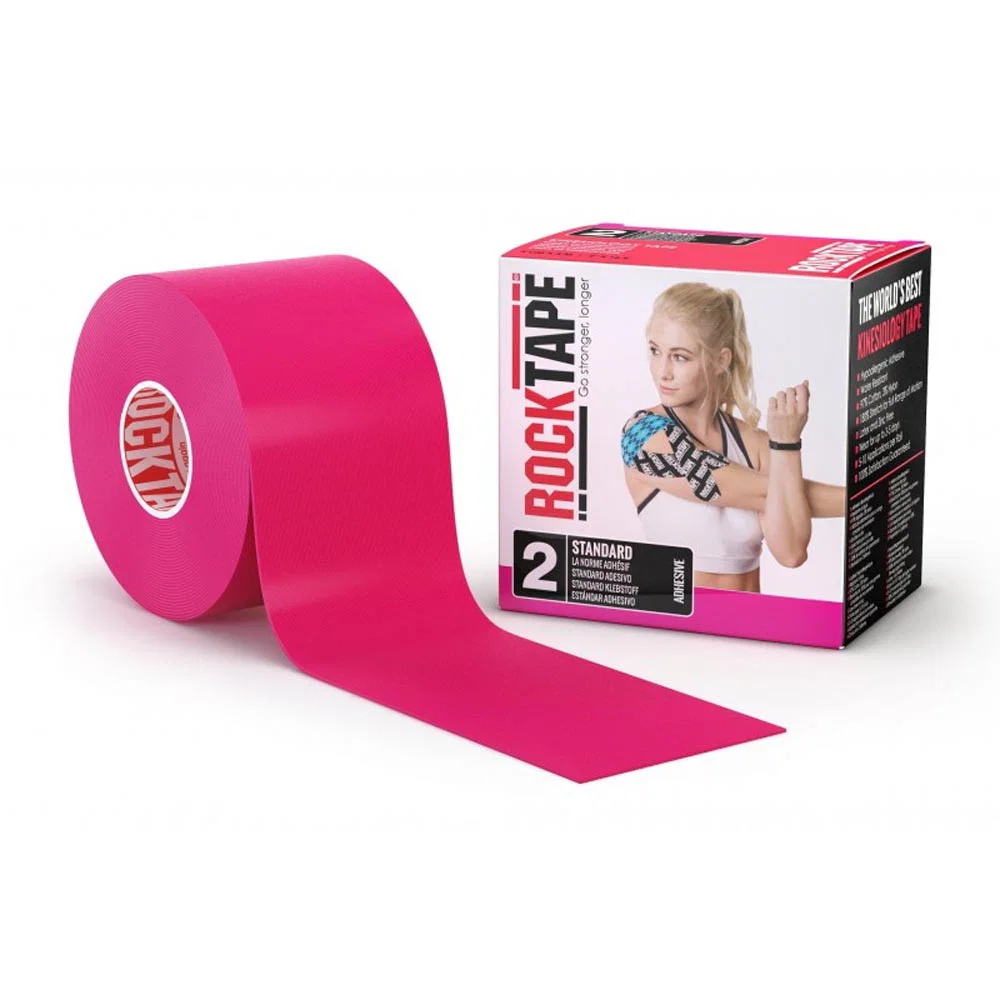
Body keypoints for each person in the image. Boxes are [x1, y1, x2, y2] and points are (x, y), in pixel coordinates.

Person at [622, 282, 845, 593]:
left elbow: (791, 552)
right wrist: (865, 495)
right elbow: (718, 482)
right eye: (655, 351)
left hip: (752, 618)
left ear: (721, 360)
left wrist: (786, 445)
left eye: (680, 357)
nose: (662, 371)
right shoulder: (640, 436)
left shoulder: (757, 445)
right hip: (679, 619)